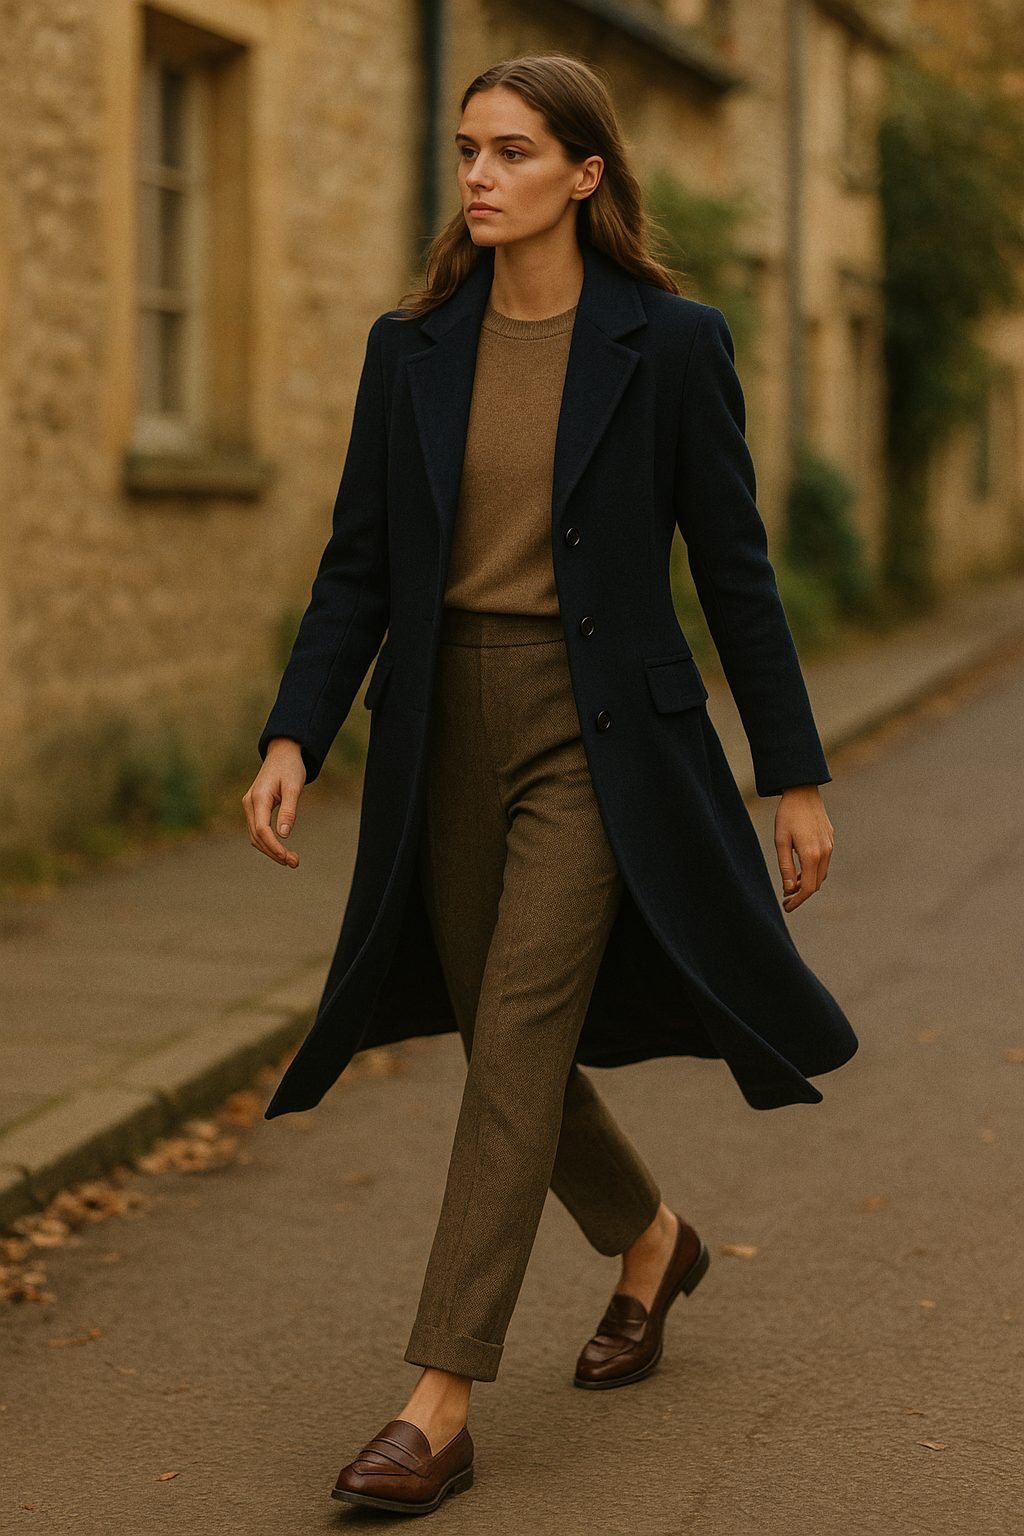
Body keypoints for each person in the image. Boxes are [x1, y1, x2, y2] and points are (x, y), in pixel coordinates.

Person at [243, 52, 844, 1516]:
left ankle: (438, 1401)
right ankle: (650, 1242)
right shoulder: (417, 348)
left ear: (586, 173)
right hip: (444, 723)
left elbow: (737, 572)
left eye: (513, 151)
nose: (479, 176)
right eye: (468, 151)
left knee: (516, 1032)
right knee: (492, 1027)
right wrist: (293, 734)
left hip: (604, 740)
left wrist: (796, 773)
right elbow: (362, 566)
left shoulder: (672, 343)